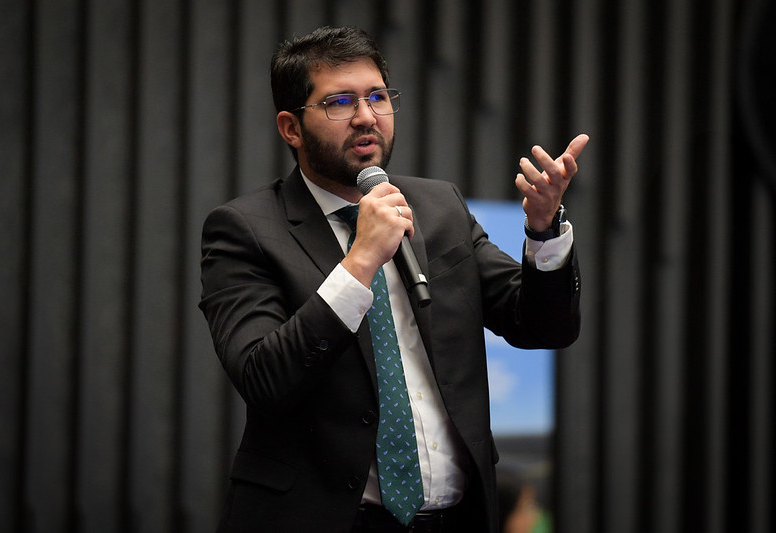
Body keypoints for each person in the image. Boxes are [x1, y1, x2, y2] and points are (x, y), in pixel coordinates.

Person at [199, 25, 587, 533]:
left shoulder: (438, 206)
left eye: (377, 97)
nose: (365, 117)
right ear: (291, 128)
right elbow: (264, 378)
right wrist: (359, 261)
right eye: (339, 101)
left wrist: (545, 231)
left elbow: (543, 326)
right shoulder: (245, 230)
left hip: (455, 517)